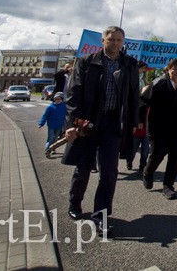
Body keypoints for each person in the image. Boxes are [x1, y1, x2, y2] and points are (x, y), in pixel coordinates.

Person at [62, 26, 140, 237]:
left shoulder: (129, 64)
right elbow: (73, 94)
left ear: (123, 42)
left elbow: (134, 96)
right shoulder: (87, 61)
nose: (115, 43)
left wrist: (134, 122)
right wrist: (71, 124)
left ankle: (101, 217)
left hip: (113, 125)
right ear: (103, 40)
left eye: (119, 40)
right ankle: (74, 204)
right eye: (111, 39)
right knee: (84, 167)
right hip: (87, 123)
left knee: (109, 172)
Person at [141, 58, 177, 199]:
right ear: (168, 69)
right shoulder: (159, 83)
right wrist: (139, 120)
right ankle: (148, 172)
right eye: (174, 68)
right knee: (157, 155)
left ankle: (168, 186)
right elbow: (143, 101)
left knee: (175, 157)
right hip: (158, 128)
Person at [39, 92, 67, 158]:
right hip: (51, 125)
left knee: (55, 139)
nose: (57, 100)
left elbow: (67, 116)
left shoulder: (64, 107)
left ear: (62, 99)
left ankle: (53, 149)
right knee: (50, 138)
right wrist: (41, 123)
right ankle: (47, 150)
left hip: (59, 126)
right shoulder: (50, 107)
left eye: (59, 99)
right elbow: (45, 116)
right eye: (56, 99)